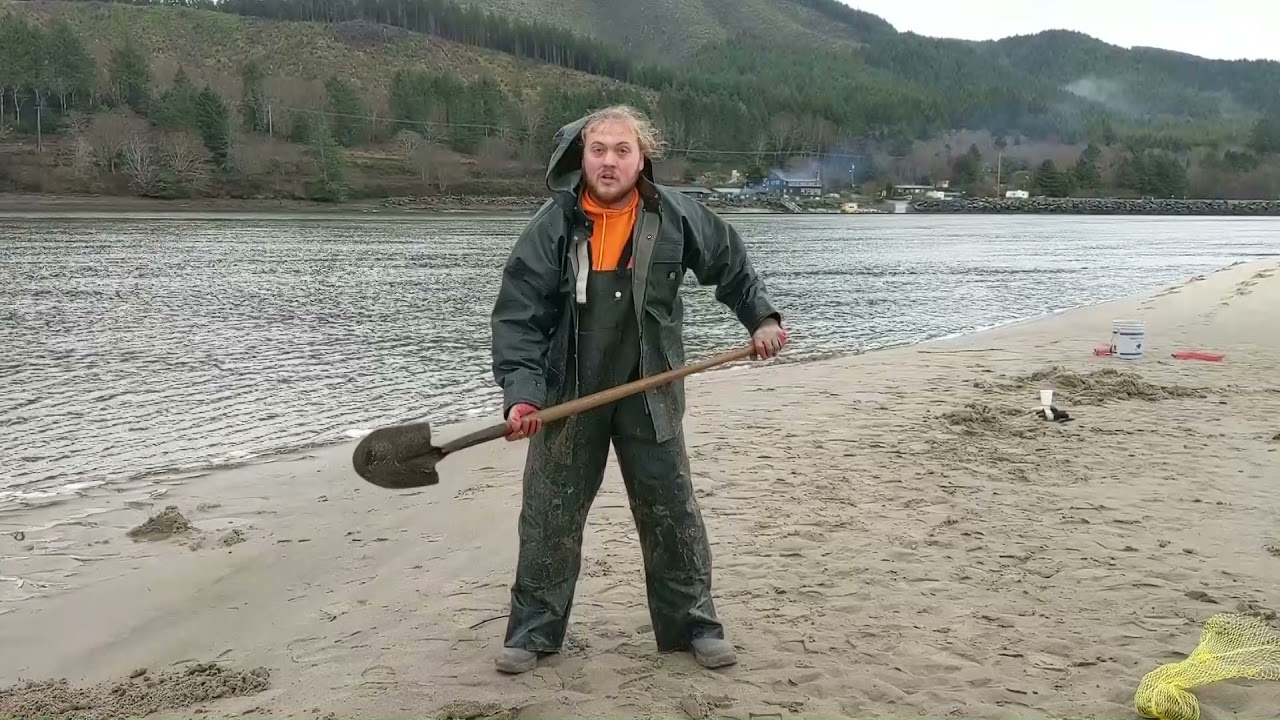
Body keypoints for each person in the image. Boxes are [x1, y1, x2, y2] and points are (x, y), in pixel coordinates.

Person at [488, 104, 788, 675]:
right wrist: (522, 395)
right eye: (597, 149)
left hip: (652, 391)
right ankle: (533, 631)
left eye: (621, 150)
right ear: (581, 156)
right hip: (568, 399)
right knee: (550, 515)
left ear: (641, 156)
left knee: (671, 510)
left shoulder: (677, 216)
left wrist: (762, 322)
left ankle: (692, 626)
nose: (608, 161)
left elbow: (732, 266)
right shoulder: (550, 226)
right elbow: (518, 318)